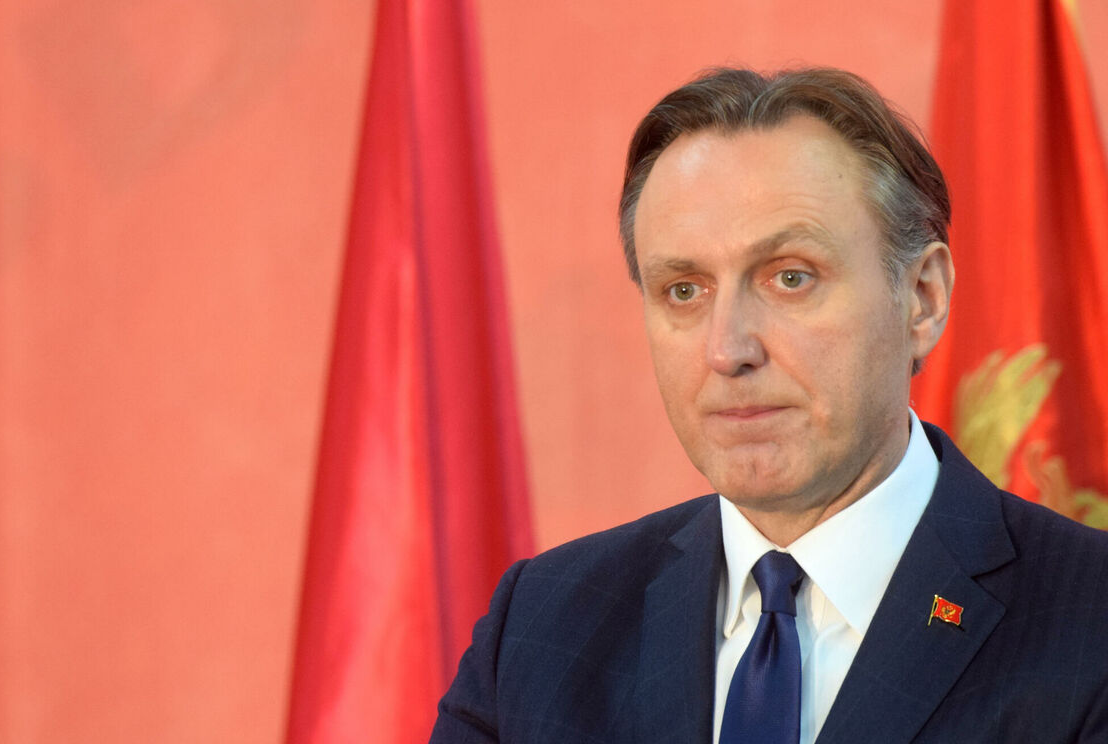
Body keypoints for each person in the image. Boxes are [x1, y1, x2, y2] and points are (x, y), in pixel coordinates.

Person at [429, 67, 1108, 743]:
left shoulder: (1089, 622)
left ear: (923, 299)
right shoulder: (541, 627)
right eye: (684, 290)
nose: (728, 350)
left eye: (790, 278)